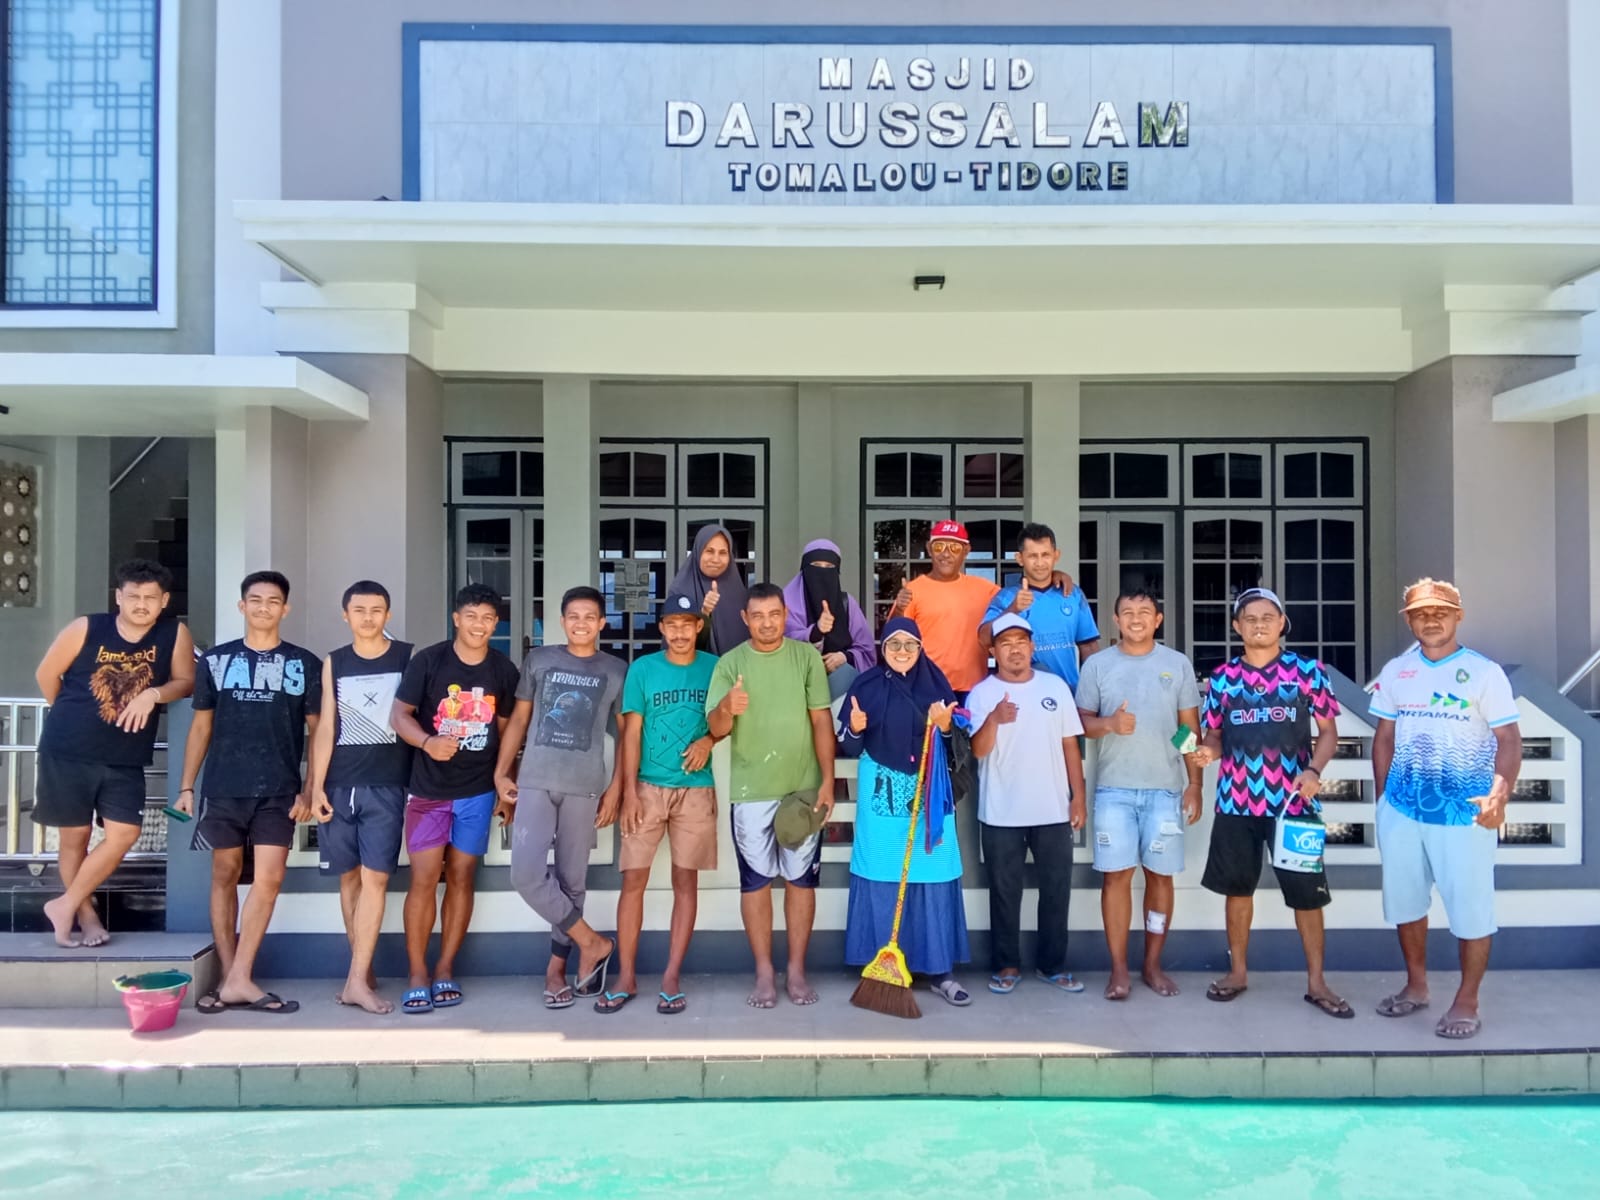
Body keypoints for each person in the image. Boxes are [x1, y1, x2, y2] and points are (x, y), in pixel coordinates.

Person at [1369, 579, 1521, 1040]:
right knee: (1406, 904)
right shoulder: (1397, 671)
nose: (1430, 620)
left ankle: (1467, 1000)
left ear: (1458, 616)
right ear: (1409, 621)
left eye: (1441, 612)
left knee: (1471, 910)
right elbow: (1384, 738)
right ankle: (1416, 986)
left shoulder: (1484, 673)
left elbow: (1509, 740)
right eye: (1420, 613)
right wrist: (1383, 801)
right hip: (1403, 810)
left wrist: (1499, 794)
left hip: (1464, 814)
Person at [1192, 587, 1352, 1019]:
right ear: (1236, 626)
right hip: (1235, 803)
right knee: (1236, 890)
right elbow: (1214, 736)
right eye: (1250, 618)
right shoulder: (1222, 678)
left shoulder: (1308, 672)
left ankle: (1317, 982)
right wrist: (1206, 752)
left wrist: (1314, 770)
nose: (1259, 624)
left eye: (1268, 617)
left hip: (1294, 804)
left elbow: (1329, 733)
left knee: (1308, 896)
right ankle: (1238, 972)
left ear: (1282, 623)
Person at [177, 571, 321, 1014]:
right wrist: (186, 785)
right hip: (224, 786)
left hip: (280, 790)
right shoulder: (215, 660)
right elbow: (201, 727)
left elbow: (317, 731)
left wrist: (310, 787)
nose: (263, 607)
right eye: (255, 600)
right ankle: (229, 977)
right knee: (224, 874)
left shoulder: (304, 663)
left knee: (269, 878)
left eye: (273, 601)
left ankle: (241, 975)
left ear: (285, 609)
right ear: (242, 606)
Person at [35, 559, 195, 948]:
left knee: (124, 833)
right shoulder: (87, 628)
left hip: (125, 755)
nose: (141, 604)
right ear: (118, 597)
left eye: (150, 598)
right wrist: (73, 717)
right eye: (133, 596)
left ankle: (64, 904)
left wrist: (152, 693)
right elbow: (46, 674)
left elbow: (185, 681)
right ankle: (85, 917)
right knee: (75, 837)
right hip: (68, 749)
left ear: (164, 601)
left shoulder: (173, 634)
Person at [497, 585, 627, 1012]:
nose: (581, 623)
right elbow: (520, 720)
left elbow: (627, 734)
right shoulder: (539, 660)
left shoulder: (616, 669)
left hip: (585, 784)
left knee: (573, 882)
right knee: (526, 874)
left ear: (602, 623)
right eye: (573, 616)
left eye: (590, 617)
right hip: (535, 780)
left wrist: (617, 788)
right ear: (562, 620)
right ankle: (592, 941)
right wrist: (502, 770)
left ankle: (556, 970)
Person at [391, 583, 519, 1014]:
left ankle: (445, 969)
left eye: (488, 618)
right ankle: (417, 974)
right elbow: (399, 716)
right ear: (456, 619)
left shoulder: (502, 669)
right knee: (424, 879)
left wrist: (506, 785)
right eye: (471, 616)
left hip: (478, 792)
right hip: (428, 791)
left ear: (495, 624)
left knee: (462, 876)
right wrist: (428, 742)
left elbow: (508, 733)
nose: (479, 625)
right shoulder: (429, 661)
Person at [706, 582, 835, 1008]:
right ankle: (764, 971)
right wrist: (727, 707)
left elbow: (821, 720)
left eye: (774, 615)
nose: (766, 623)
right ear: (745, 619)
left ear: (785, 616)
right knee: (756, 883)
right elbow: (717, 729)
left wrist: (828, 780)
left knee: (801, 882)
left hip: (802, 788)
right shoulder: (730, 663)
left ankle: (796, 970)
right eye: (757, 616)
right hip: (751, 791)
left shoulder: (806, 657)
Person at [1075, 588, 1204, 1000]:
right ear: (1115, 620)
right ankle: (1118, 969)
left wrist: (1195, 783)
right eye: (1127, 612)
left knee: (1160, 877)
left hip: (1165, 791)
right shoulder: (1098, 665)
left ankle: (1152, 964)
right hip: (1113, 792)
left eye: (1144, 611)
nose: (1136, 618)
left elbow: (1186, 729)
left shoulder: (1175, 664)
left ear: (1157, 620)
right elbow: (1080, 723)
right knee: (1115, 877)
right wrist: (1110, 724)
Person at [838, 617, 970, 1006]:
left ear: (920, 649)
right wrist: (855, 728)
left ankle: (940, 972)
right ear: (882, 649)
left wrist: (945, 727)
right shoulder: (865, 686)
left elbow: (957, 748)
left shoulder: (936, 685)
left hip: (928, 796)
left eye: (909, 645)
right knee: (882, 873)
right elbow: (848, 745)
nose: (901, 652)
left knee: (932, 875)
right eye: (893, 644)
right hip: (882, 797)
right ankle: (883, 965)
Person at [966, 613, 1087, 995]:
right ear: (994, 651)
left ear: (1032, 647)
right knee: (1004, 892)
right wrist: (994, 720)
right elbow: (978, 751)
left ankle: (1053, 966)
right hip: (1000, 812)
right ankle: (1006, 965)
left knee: (1056, 890)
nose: (1015, 649)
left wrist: (1078, 797)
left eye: (1021, 641)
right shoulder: (981, 694)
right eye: (1006, 643)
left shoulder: (1055, 687)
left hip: (1053, 809)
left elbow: (1071, 745)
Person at [307, 580, 413, 1015]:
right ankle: (360, 972)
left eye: (376, 610)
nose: (368, 618)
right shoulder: (334, 661)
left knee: (376, 878)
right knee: (348, 877)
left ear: (388, 614)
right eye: (359, 610)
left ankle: (355, 979)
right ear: (345, 615)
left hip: (388, 783)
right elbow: (326, 727)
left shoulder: (407, 657)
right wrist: (316, 786)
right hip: (339, 784)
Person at [614, 590, 721, 1014]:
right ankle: (626, 975)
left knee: (685, 882)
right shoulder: (643, 669)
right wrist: (628, 793)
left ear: (699, 627)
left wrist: (709, 740)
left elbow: (727, 719)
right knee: (633, 882)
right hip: (647, 788)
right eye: (672, 625)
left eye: (687, 625)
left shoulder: (714, 668)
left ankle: (671, 976)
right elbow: (631, 734)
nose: (679, 633)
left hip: (696, 789)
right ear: (661, 628)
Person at [980, 522, 1101, 691]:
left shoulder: (1072, 594)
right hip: (1021, 695)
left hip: (1069, 693)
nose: (1040, 562)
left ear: (1056, 555)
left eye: (1045, 555)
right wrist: (1013, 609)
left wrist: (1094, 690)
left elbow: (1088, 646)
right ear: (1020, 558)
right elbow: (984, 639)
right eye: (1032, 556)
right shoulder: (1006, 597)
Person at [886, 521, 997, 699]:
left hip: (973, 690)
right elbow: (892, 637)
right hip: (926, 688)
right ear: (929, 549)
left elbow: (1016, 610)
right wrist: (899, 608)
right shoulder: (913, 590)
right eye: (939, 547)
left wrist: (1051, 578)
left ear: (966, 551)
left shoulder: (986, 590)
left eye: (954, 547)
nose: (946, 554)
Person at [782, 538, 876, 699]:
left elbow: (866, 650)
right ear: (804, 569)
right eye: (816, 566)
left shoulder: (847, 604)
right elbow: (780, 645)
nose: (822, 573)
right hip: (795, 691)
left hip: (841, 691)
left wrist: (844, 657)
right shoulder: (785, 604)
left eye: (829, 567)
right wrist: (815, 632)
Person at [669, 523, 750, 655]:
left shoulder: (739, 594)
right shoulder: (679, 591)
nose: (715, 559)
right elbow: (677, 643)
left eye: (723, 553)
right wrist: (705, 613)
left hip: (734, 667)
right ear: (698, 552)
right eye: (709, 551)